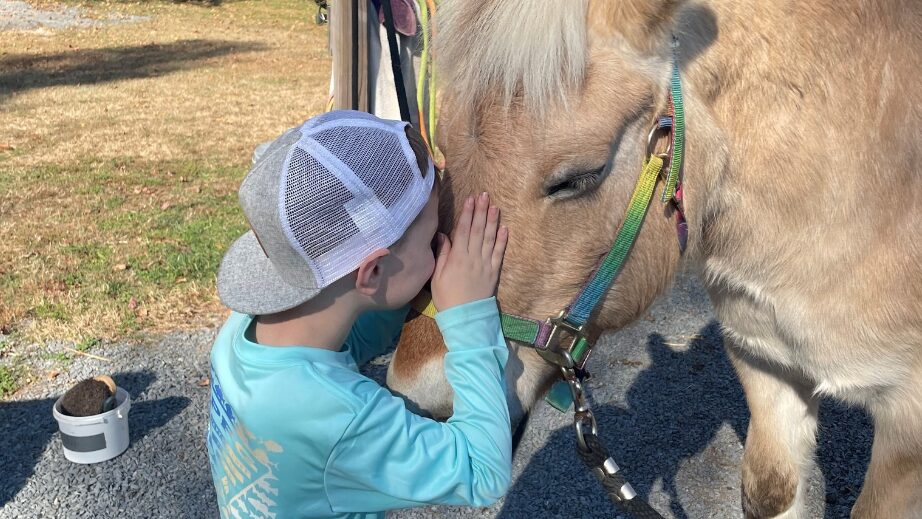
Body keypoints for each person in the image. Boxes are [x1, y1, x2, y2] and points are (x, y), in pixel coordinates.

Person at [206, 110, 512, 518]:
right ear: (373, 271)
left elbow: (350, 340)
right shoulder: (339, 418)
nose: (437, 251)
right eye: (428, 244)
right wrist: (468, 314)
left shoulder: (239, 334)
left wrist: (408, 286)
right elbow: (482, 470)